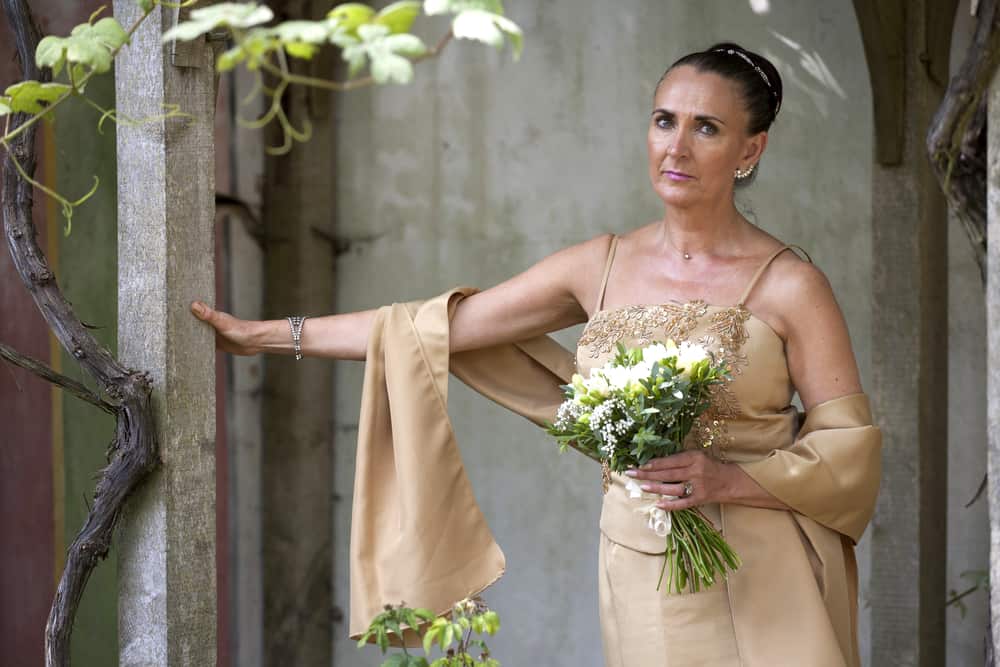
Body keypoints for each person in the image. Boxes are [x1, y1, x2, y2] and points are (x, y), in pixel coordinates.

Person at [192, 42, 880, 667]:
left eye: (707, 128)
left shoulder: (792, 285)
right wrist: (268, 336)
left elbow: (850, 452)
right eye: (664, 120)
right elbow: (430, 327)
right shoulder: (598, 265)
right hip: (642, 564)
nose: (677, 146)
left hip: (768, 570)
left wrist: (727, 480)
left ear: (750, 150)